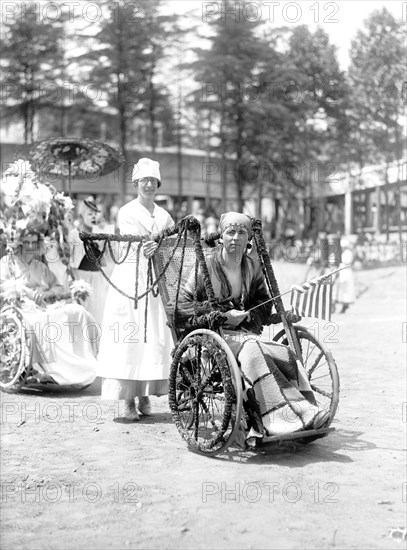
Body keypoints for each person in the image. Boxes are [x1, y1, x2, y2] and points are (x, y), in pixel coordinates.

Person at [179, 212, 328, 443]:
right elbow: (183, 304)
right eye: (230, 232)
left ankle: (306, 411)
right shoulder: (207, 265)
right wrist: (220, 315)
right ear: (221, 236)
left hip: (243, 333)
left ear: (248, 238)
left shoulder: (251, 267)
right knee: (252, 350)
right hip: (213, 335)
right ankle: (273, 420)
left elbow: (261, 302)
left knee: (282, 351)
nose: (235, 238)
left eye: (241, 233)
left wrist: (249, 316)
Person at [97, 158, 175, 421]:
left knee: (151, 336)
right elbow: (131, 243)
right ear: (136, 184)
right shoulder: (126, 212)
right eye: (144, 181)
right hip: (131, 278)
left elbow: (172, 243)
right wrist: (148, 246)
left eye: (153, 181)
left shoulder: (164, 215)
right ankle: (128, 400)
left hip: (155, 279)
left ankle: (144, 393)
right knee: (129, 337)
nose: (149, 185)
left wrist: (161, 247)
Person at [0, 229, 98, 388]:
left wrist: (46, 293)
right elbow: (4, 285)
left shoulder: (40, 267)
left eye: (34, 242)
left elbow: (59, 288)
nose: (30, 246)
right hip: (19, 310)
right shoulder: (7, 262)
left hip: (43, 307)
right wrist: (28, 293)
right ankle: (57, 370)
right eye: (26, 242)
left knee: (76, 312)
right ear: (19, 243)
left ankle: (79, 366)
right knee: (43, 321)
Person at [68, 197, 109, 325]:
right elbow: (69, 258)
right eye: (89, 214)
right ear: (82, 215)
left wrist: (103, 234)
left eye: (95, 214)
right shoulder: (74, 234)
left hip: (97, 279)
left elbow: (110, 256)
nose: (93, 217)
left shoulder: (101, 234)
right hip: (80, 278)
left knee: (98, 313)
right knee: (81, 313)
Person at [334, 237, 356, 313]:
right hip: (342, 272)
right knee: (341, 290)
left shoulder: (348, 253)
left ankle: (345, 305)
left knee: (347, 289)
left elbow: (348, 263)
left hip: (346, 272)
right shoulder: (342, 253)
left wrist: (341, 263)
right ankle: (341, 304)